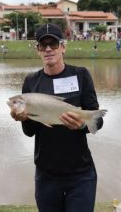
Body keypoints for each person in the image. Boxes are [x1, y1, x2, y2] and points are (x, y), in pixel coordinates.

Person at [10, 23, 104, 212]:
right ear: (38, 50)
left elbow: (97, 120)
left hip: (81, 173)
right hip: (46, 174)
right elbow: (29, 132)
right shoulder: (31, 81)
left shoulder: (80, 75)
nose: (48, 49)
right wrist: (23, 119)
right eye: (42, 45)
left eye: (53, 44)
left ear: (63, 47)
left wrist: (81, 126)